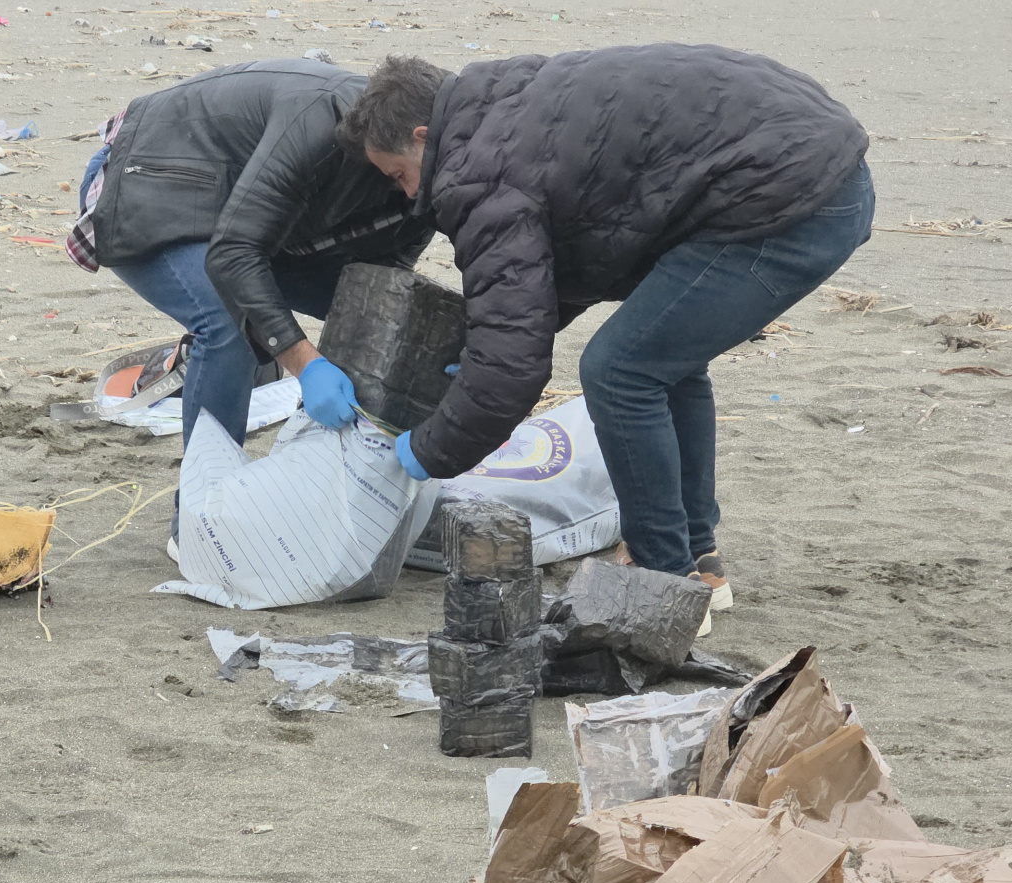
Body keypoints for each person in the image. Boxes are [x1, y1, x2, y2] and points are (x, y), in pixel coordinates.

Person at [342, 47, 874, 615]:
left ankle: (661, 583)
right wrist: (478, 348)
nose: (409, 194)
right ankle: (698, 560)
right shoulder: (502, 99)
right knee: (664, 361)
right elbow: (570, 258)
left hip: (793, 203)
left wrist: (427, 451)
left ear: (423, 136)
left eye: (399, 175)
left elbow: (510, 372)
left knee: (619, 371)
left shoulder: (476, 172)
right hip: (812, 167)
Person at [66, 58, 435, 555]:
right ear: (418, 138)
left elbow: (380, 283)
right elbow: (236, 254)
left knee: (381, 322)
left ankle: (341, 490)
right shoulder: (319, 126)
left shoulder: (428, 172)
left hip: (249, 218)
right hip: (147, 181)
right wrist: (305, 364)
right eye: (400, 175)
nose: (411, 191)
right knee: (227, 327)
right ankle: (197, 527)